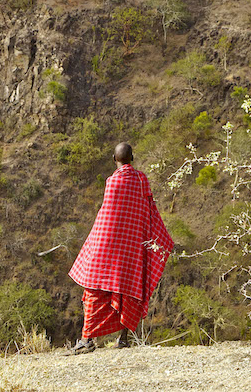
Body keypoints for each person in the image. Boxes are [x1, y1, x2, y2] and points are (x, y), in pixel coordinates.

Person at [66, 142, 173, 354]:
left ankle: (87, 340)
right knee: (129, 289)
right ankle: (123, 340)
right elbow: (148, 210)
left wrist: (93, 242)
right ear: (132, 158)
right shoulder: (142, 181)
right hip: (133, 247)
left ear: (114, 159)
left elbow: (106, 217)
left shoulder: (112, 182)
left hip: (108, 246)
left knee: (94, 287)